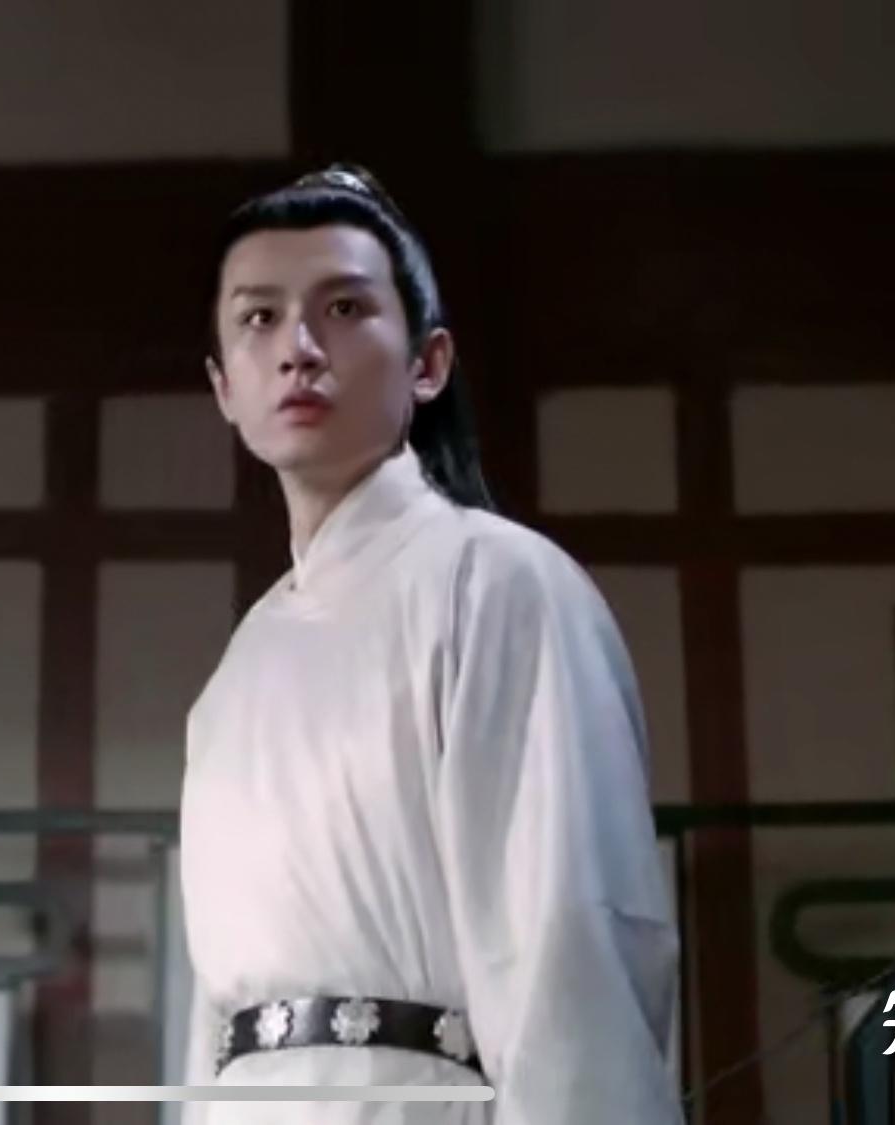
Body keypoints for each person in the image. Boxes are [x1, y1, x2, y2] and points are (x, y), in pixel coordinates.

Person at [177, 164, 683, 1124]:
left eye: (344, 308)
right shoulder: (236, 674)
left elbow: (568, 941)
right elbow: (212, 1019)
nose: (299, 350)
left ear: (428, 362)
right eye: (259, 318)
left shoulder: (501, 584)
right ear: (223, 387)